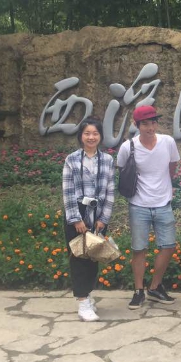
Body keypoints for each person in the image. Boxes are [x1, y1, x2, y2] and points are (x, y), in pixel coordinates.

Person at [116, 105, 180, 310]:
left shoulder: (167, 142)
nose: (150, 127)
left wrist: (164, 186)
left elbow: (172, 167)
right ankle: (138, 291)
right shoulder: (128, 147)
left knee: (168, 246)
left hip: (163, 203)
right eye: (145, 124)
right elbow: (123, 169)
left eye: (153, 122)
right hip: (139, 204)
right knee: (139, 249)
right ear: (136, 125)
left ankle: (154, 286)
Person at [62, 117, 116, 321]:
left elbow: (110, 190)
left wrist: (104, 218)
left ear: (100, 136)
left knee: (93, 256)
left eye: (95, 133)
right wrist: (76, 219)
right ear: (81, 136)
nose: (91, 137)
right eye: (87, 133)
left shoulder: (107, 160)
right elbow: (67, 191)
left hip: (98, 215)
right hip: (77, 214)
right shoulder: (72, 160)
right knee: (78, 258)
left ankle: (88, 294)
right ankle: (82, 302)